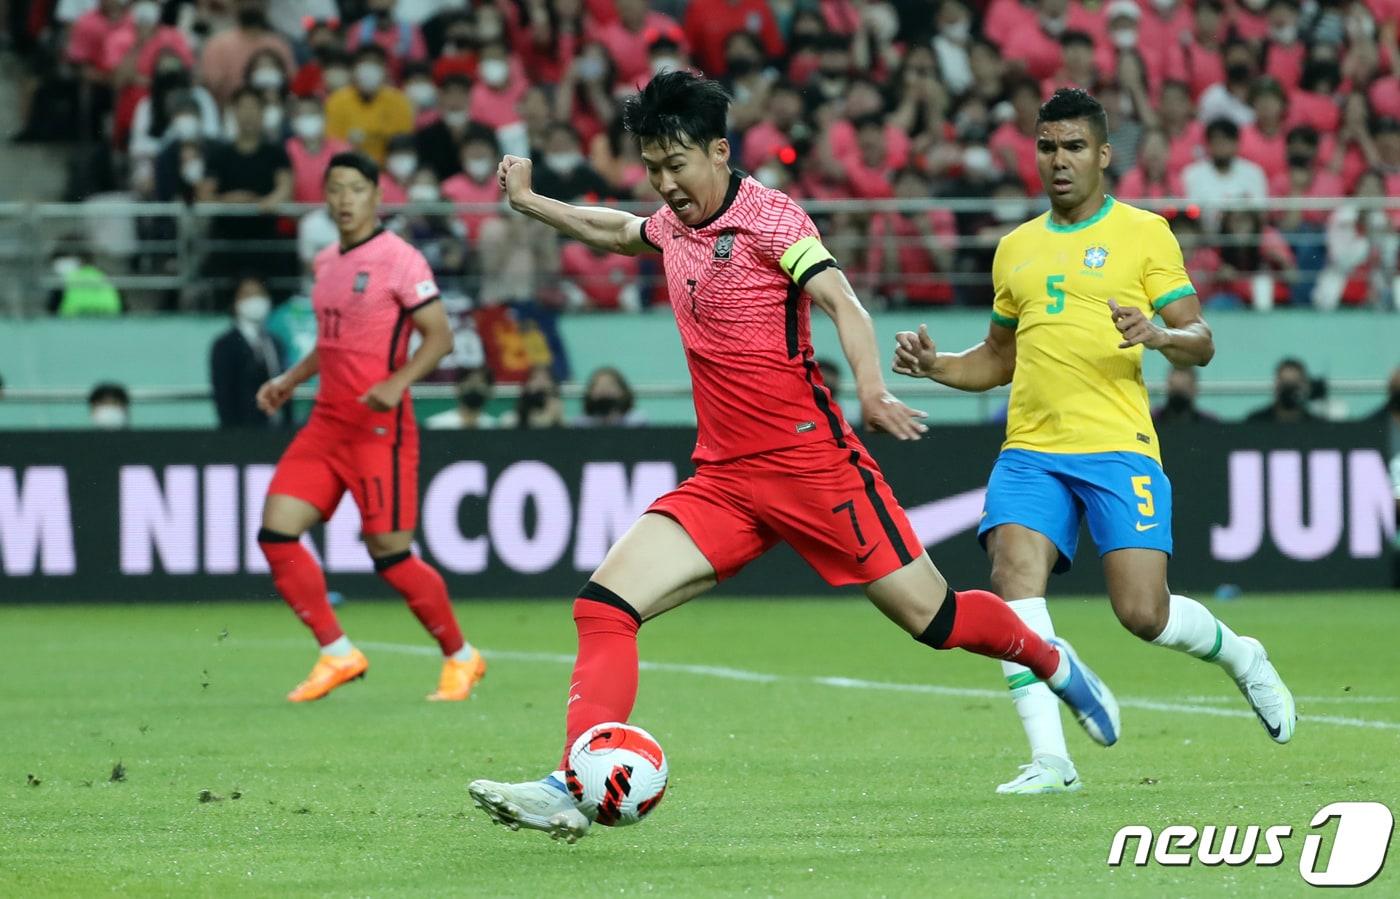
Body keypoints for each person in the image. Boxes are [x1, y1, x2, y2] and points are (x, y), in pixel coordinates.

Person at [467, 72, 1121, 842]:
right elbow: (618, 231)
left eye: (677, 165)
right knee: (602, 606)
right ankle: (571, 783)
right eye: (651, 168)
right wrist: (530, 202)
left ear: (719, 150)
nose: (665, 184)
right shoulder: (673, 224)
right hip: (725, 480)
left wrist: (872, 391)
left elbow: (843, 300)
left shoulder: (774, 220)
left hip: (815, 469)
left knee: (937, 619)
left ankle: (1050, 659)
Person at [892, 88, 1295, 796]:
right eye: (1047, 147)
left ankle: (1242, 653)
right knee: (1013, 579)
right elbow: (998, 357)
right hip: (1030, 450)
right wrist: (936, 367)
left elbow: (1200, 340)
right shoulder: (1016, 247)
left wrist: (1159, 333)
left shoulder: (1146, 233)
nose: (1059, 160)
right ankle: (1052, 759)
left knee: (1145, 613)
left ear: (1104, 155)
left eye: (1074, 147)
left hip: (1117, 445)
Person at [253, 152, 485, 704]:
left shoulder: (400, 259)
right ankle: (337, 652)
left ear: (377, 195)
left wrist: (397, 383)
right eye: (334, 189)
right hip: (327, 422)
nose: (344, 199)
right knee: (276, 531)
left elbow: (439, 337)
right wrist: (290, 378)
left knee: (390, 553)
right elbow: (333, 341)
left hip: (379, 427)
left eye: (355, 189)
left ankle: (460, 656)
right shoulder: (326, 260)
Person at [210, 277, 286, 429]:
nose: (255, 300)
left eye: (260, 294)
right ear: (236, 302)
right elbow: (223, 396)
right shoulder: (224, 345)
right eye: (248, 295)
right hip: (243, 433)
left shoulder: (274, 342)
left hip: (276, 431)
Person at [1245, 357, 1322, 423]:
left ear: (1306, 386)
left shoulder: (1317, 426)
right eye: (1285, 383)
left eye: (1294, 384)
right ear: (1276, 385)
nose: (1289, 390)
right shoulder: (1256, 422)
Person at [426, 367, 498, 429]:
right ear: (457, 388)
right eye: (469, 382)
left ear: (490, 391)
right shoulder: (436, 425)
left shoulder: (494, 427)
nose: (474, 387)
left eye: (480, 383)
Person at [575, 366, 646, 426]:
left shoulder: (637, 422)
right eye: (598, 386)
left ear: (622, 391)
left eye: (610, 385)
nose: (604, 390)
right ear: (590, 393)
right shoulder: (581, 424)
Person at [1152, 366, 1218, 424]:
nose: (1178, 399)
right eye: (1175, 391)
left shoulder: (1209, 424)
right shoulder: (1152, 420)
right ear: (1167, 387)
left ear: (1195, 389)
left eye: (1183, 392)